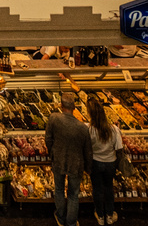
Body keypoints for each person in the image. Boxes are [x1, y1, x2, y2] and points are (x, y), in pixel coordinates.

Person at [45, 90, 91, 226]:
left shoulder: (54, 118)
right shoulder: (83, 128)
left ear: (61, 105)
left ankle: (60, 217)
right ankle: (71, 221)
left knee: (59, 189)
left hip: (58, 160)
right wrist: (89, 167)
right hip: (76, 164)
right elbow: (88, 150)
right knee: (73, 194)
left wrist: (51, 152)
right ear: (74, 107)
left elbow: (48, 139)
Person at [86, 96, 124, 226]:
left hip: (95, 162)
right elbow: (119, 148)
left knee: (97, 189)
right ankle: (109, 214)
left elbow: (86, 147)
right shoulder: (114, 129)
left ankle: (100, 216)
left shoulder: (89, 130)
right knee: (108, 188)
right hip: (110, 163)